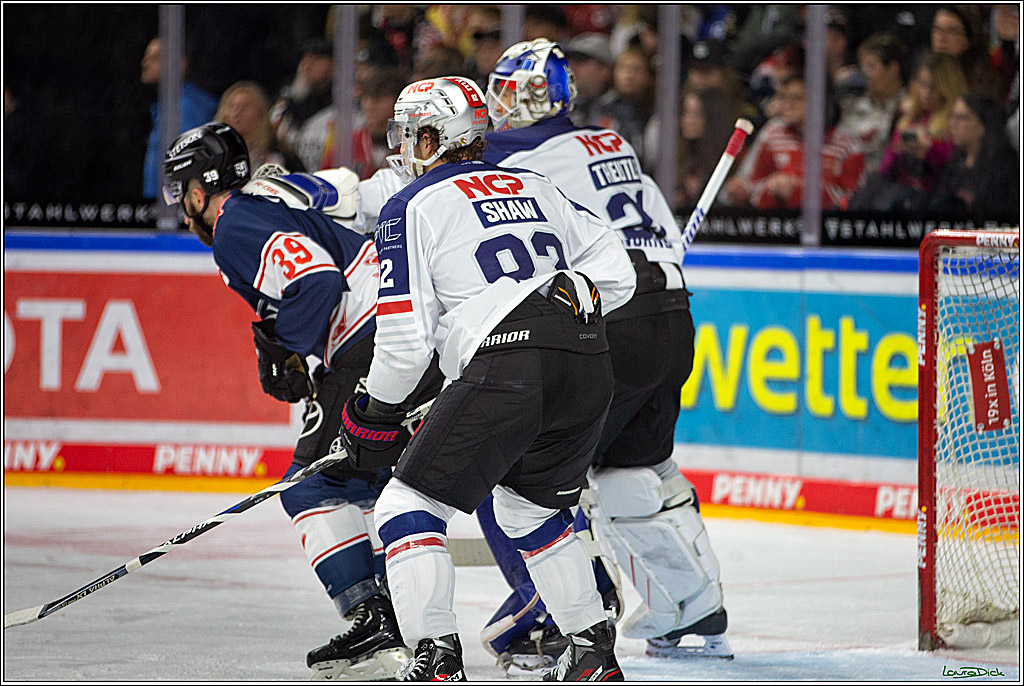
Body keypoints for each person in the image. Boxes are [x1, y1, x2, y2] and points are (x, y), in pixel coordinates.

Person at [337, 75, 636, 681]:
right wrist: (556, 309)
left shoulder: (411, 204)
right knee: (530, 513)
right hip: (588, 356)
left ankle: (435, 661)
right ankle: (591, 652)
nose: (402, 147)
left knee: (407, 502)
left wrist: (372, 412)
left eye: (410, 134)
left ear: (433, 138)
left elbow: (404, 344)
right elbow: (619, 273)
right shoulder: (537, 185)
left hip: (509, 361)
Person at [480, 38, 732, 674]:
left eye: (510, 93)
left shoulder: (511, 153)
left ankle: (556, 611)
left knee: (523, 466)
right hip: (671, 312)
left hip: (615, 316)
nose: (500, 107)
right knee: (632, 470)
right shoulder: (613, 141)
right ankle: (689, 604)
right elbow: (661, 228)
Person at [161, 123, 440, 681]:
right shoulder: (268, 197)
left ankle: (374, 620)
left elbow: (317, 281)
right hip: (408, 326)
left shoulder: (234, 222)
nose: (182, 211)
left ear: (196, 191)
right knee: (370, 483)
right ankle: (404, 615)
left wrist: (284, 342)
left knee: (311, 485)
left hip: (370, 339)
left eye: (179, 194)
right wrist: (293, 347)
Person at [727, 72, 865, 210]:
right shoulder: (773, 133)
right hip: (777, 218)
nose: (787, 105)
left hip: (828, 221)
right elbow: (751, 184)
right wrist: (752, 190)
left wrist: (797, 192)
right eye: (783, 97)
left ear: (820, 102)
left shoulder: (847, 143)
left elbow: (856, 199)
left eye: (796, 98)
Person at [852, 51, 966, 211]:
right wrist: (899, 149)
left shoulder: (958, 120)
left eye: (934, 87)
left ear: (948, 87)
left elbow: (957, 168)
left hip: (936, 204)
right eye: (923, 84)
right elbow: (885, 171)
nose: (926, 93)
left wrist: (928, 151)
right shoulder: (910, 118)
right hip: (900, 199)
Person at [141, 37, 218, 199]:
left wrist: (175, 207)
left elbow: (189, 165)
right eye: (146, 56)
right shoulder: (165, 106)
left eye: (155, 58)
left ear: (180, 64)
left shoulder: (185, 107)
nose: (145, 63)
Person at [928, 94, 1019, 217]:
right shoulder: (956, 161)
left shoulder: (1004, 166)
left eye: (961, 118)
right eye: (952, 116)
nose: (952, 124)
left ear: (983, 125)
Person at [836, 33, 907, 176]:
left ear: (892, 68)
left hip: (881, 179)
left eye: (871, 66)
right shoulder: (853, 103)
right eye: (863, 67)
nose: (864, 73)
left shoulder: (906, 108)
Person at [271, 38, 335, 173]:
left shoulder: (345, 113)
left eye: (316, 59)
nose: (306, 64)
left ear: (334, 68)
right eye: (304, 59)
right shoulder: (282, 108)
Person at [215, 81, 305, 172]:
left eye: (245, 106)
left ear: (261, 113)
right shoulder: (214, 155)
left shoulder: (280, 157)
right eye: (231, 106)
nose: (236, 112)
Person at [565, 33, 615, 128]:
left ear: (604, 69)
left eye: (579, 61)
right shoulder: (563, 106)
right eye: (569, 61)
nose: (571, 67)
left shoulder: (623, 110)